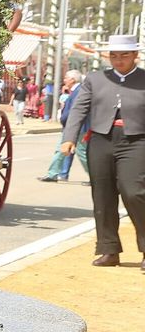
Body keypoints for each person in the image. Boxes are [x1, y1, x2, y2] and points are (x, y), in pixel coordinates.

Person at [62, 35, 145, 267]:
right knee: (103, 195)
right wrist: (69, 138)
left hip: (137, 141)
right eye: (114, 56)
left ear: (135, 55)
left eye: (124, 55)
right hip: (100, 140)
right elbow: (79, 109)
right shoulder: (95, 79)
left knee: (134, 191)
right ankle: (109, 249)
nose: (119, 60)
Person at [40, 69, 90, 183]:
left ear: (72, 79)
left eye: (66, 78)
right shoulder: (75, 90)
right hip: (70, 127)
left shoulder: (80, 91)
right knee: (60, 150)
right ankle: (52, 174)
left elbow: (75, 110)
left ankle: (95, 177)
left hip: (78, 127)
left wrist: (63, 118)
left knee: (82, 153)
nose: (64, 80)